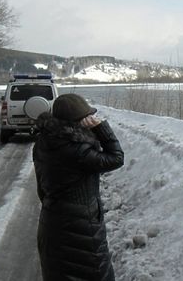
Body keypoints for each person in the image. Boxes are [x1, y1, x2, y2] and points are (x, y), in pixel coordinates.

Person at [33, 93, 124, 281]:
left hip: (52, 224)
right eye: (87, 117)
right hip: (82, 229)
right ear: (79, 121)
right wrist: (101, 128)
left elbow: (42, 189)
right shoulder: (78, 150)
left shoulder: (43, 143)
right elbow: (116, 157)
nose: (90, 119)